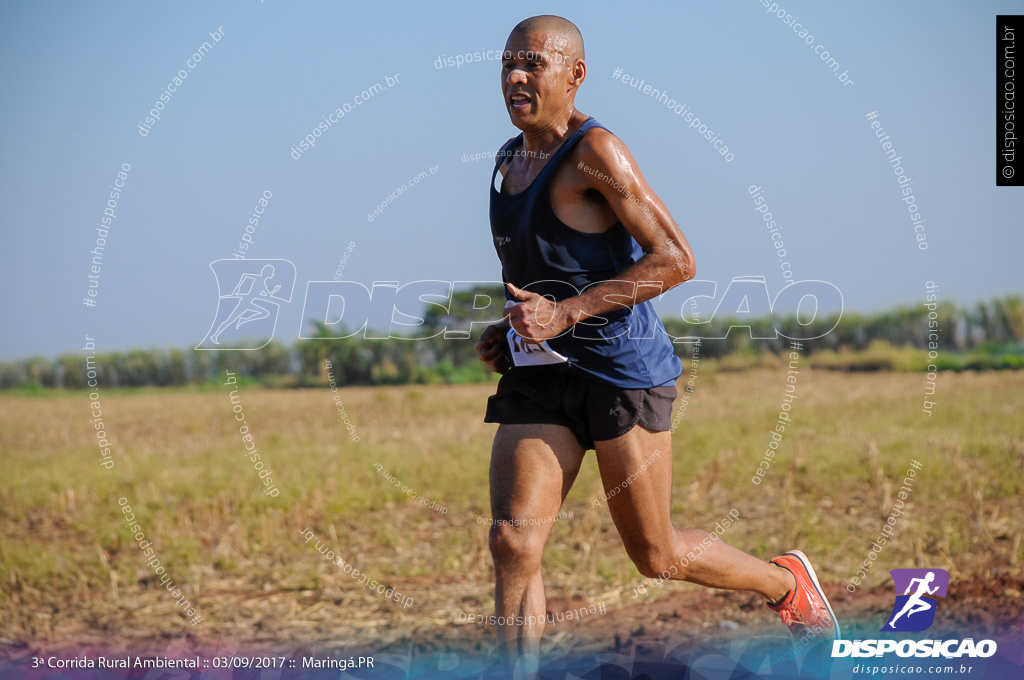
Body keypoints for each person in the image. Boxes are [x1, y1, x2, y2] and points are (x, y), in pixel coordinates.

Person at [473, 14, 840, 670]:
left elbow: (675, 258)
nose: (516, 76)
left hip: (621, 372)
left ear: (575, 75)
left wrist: (570, 313)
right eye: (507, 64)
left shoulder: (595, 153)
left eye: (533, 63)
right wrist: (512, 327)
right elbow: (533, 262)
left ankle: (785, 584)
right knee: (512, 541)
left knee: (656, 554)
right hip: (543, 375)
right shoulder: (506, 161)